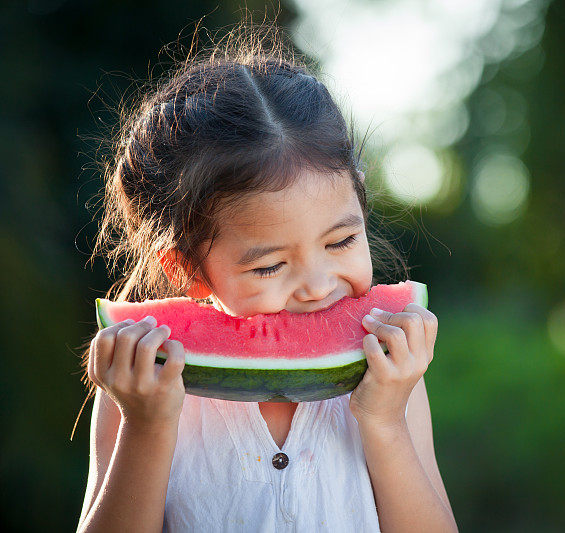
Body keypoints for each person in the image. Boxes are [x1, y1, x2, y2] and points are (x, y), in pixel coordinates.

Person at [75, 21, 457, 533]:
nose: (319, 286)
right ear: (187, 268)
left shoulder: (392, 373)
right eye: (270, 266)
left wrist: (384, 421)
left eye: (341, 242)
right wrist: (147, 426)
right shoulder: (140, 382)